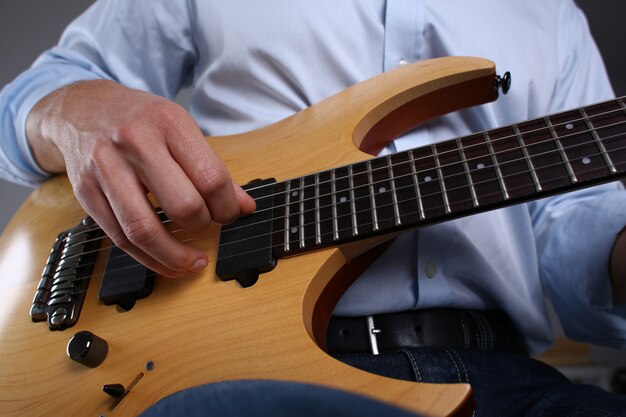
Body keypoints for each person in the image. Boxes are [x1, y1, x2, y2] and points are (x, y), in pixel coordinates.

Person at [1, 0, 625, 415]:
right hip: (237, 368)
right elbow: (31, 102)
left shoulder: (554, 17)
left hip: (510, 381)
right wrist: (73, 110)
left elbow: (580, 244)